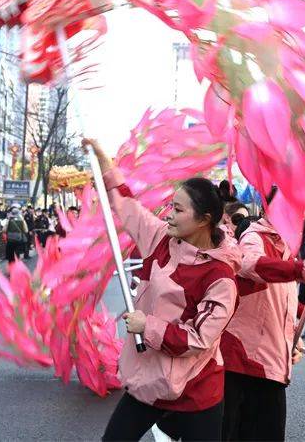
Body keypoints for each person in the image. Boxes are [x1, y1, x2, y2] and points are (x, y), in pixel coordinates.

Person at [84, 139, 240, 442]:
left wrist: (148, 326)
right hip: (148, 381)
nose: (168, 214)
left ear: (204, 220)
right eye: (171, 205)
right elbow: (126, 203)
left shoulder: (220, 277)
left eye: (178, 209)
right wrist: (103, 159)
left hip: (197, 390)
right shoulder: (160, 238)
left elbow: (199, 338)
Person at [219, 191, 305, 441]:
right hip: (244, 360)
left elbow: (275, 302)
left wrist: (293, 335)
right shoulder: (254, 236)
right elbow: (250, 264)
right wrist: (301, 270)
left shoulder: (287, 244)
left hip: (270, 362)